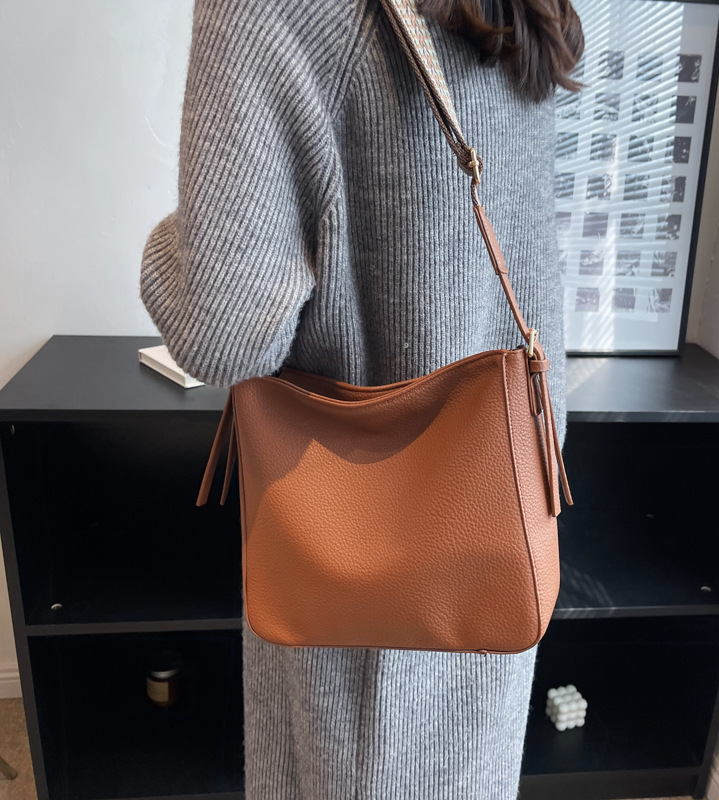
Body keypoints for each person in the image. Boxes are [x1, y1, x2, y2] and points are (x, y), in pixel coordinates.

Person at [139, 0, 583, 796]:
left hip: (356, 574)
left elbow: (221, 332)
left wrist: (171, 246)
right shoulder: (517, 10)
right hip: (500, 514)